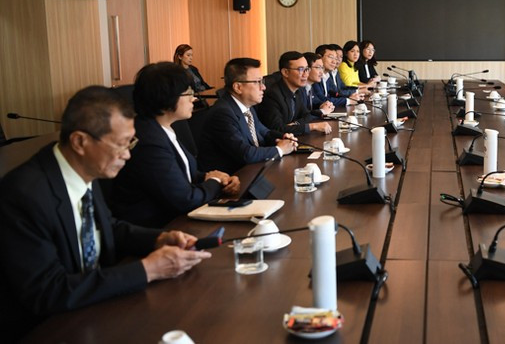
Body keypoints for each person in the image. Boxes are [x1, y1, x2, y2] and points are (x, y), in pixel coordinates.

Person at [0, 86, 212, 339]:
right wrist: (148, 269)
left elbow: (106, 227)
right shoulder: (23, 195)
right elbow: (47, 291)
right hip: (49, 328)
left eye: (131, 142)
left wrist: (158, 239)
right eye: (121, 145)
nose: (128, 155)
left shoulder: (83, 167)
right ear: (80, 142)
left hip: (95, 309)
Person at [109, 63, 240, 228]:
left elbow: (180, 173)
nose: (194, 98)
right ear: (166, 97)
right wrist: (215, 181)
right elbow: (185, 200)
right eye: (189, 93)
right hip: (157, 229)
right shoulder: (148, 140)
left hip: (177, 219)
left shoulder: (163, 128)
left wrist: (218, 179)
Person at [197, 58, 297, 174]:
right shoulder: (222, 113)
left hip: (252, 171)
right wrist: (280, 149)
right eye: (257, 82)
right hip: (232, 178)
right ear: (238, 87)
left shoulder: (247, 106)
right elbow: (245, 154)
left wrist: (283, 137)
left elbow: (264, 132)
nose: (263, 87)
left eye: (262, 81)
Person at [257, 51, 332, 135]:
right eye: (301, 69)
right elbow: (277, 129)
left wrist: (295, 124)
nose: (306, 74)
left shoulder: (297, 91)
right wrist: (312, 126)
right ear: (285, 72)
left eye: (306, 69)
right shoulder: (272, 95)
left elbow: (307, 116)